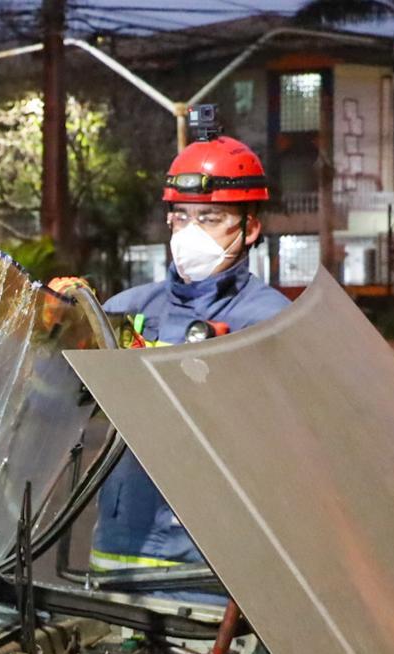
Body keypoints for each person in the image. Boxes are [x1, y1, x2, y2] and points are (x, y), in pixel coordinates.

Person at [90, 118, 289, 583]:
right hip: (117, 562)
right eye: (181, 217)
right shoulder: (126, 309)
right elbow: (55, 405)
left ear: (250, 227)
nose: (189, 233)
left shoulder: (271, 321)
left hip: (209, 575)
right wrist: (53, 330)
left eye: (210, 219)